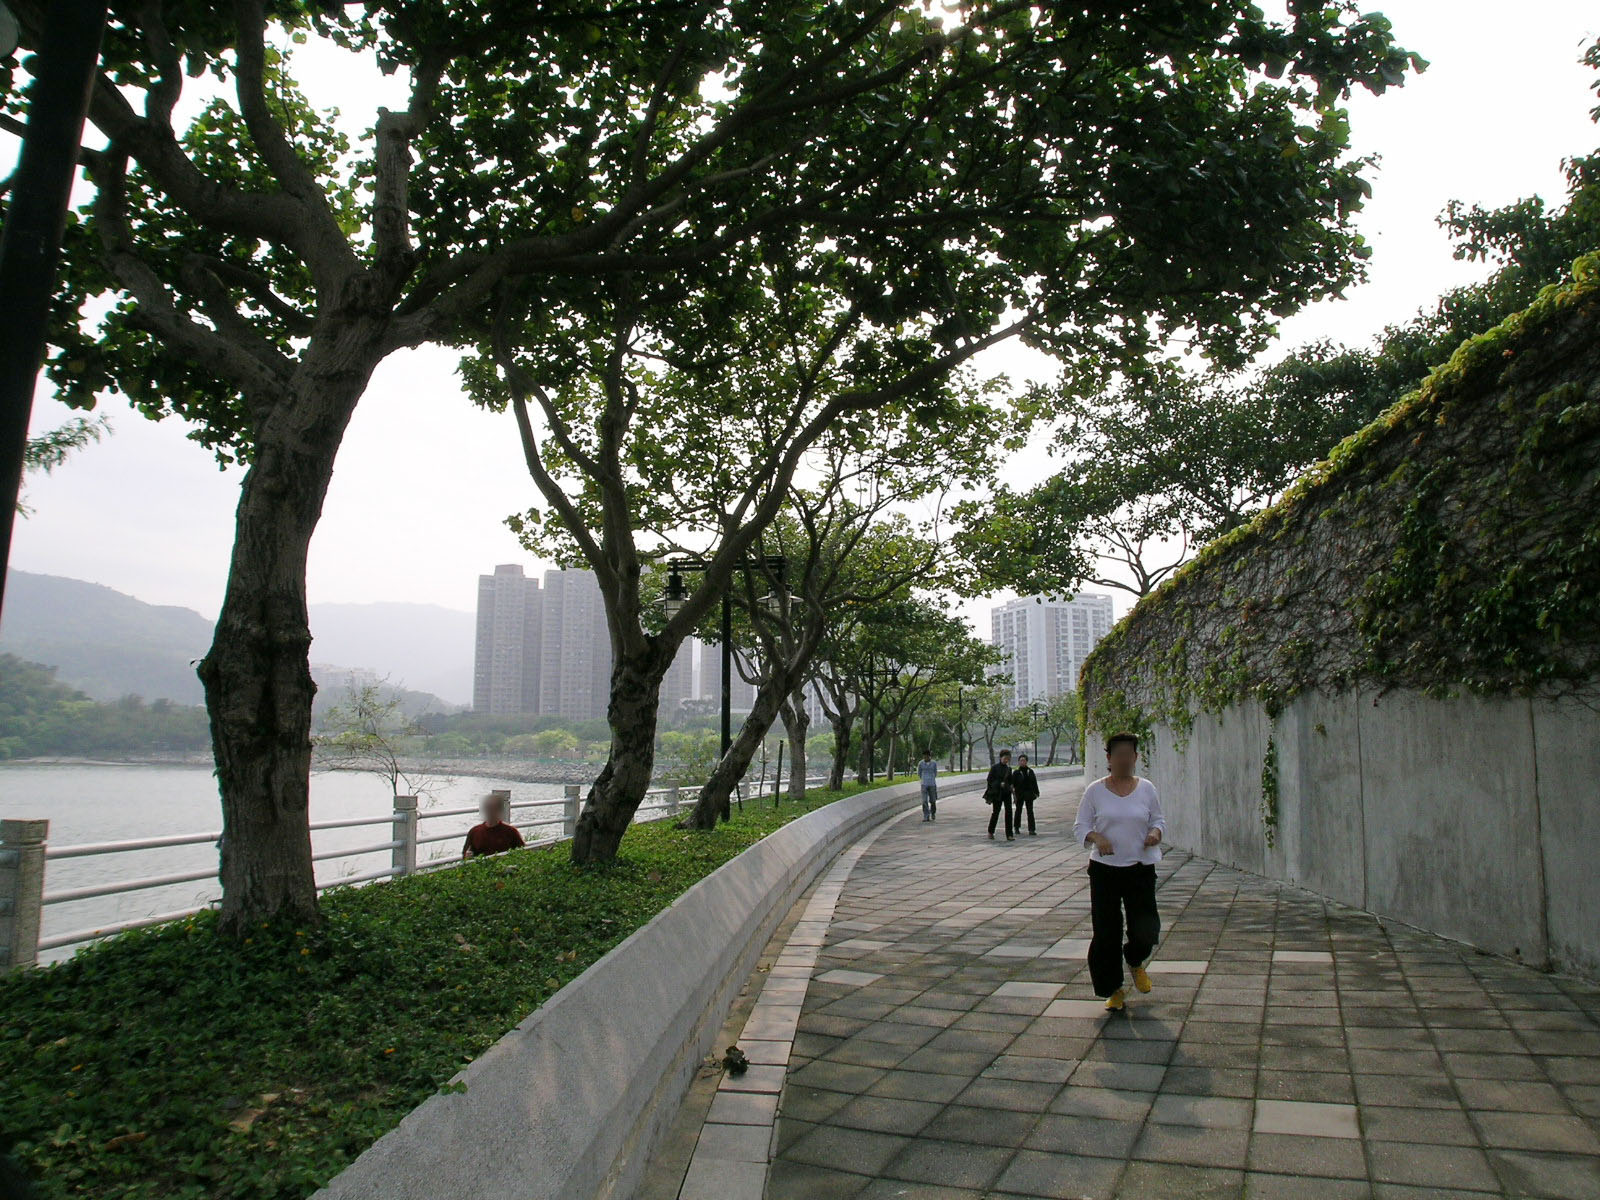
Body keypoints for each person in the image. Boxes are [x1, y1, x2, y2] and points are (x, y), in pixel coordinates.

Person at [1072, 732, 1165, 1011]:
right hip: (1105, 872)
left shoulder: (1147, 788)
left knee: (1145, 930)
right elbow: (1080, 827)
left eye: (1129, 754)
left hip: (1139, 869)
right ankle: (1114, 990)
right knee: (1106, 933)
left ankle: (1134, 960)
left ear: (1136, 757)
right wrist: (1097, 838)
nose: (1125, 759)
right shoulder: (1095, 791)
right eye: (1119, 755)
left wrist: (1156, 832)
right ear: (1109, 759)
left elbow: (1158, 818)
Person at [461, 792, 526, 860]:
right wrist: (467, 856)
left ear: (500, 810)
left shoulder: (511, 832)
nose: (490, 811)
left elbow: (522, 853)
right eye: (488, 807)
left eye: (493, 808)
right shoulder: (474, 832)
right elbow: (465, 855)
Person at [985, 749, 1014, 841]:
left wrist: (1011, 787)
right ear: (1001, 757)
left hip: (1006, 793)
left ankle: (1009, 834)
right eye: (1005, 758)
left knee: (1009, 813)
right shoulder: (994, 768)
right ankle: (991, 831)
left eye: (1008, 759)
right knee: (996, 812)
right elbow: (989, 780)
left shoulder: (1008, 769)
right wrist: (998, 784)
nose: (1006, 760)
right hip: (997, 793)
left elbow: (1010, 780)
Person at [1011, 752, 1040, 835]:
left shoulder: (1030, 771)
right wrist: (1014, 795)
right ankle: (1016, 827)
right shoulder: (1016, 772)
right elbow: (1013, 784)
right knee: (1018, 811)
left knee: (1030, 811)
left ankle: (1031, 829)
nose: (1022, 762)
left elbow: (1034, 783)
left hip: (1029, 794)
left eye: (1024, 760)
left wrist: (1036, 793)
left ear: (1026, 761)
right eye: (1021, 760)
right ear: (1019, 762)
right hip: (1019, 794)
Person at [918, 749, 939, 822]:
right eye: (924, 756)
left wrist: (931, 778)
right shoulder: (920, 763)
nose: (925, 758)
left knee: (933, 800)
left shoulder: (934, 763)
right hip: (924, 784)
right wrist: (924, 779)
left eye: (927, 756)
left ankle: (933, 812)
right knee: (924, 801)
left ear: (930, 756)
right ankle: (926, 815)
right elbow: (919, 773)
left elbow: (935, 773)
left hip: (932, 784)